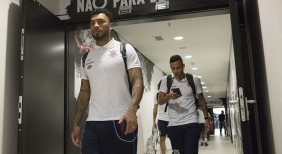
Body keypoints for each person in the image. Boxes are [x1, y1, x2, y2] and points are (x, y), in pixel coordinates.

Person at [71, 8, 144, 154]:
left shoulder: (125, 49)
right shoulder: (86, 57)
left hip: (122, 120)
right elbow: (84, 92)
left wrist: (132, 110)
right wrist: (76, 123)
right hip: (93, 124)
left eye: (101, 21)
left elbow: (137, 81)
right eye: (92, 23)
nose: (96, 25)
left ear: (111, 25)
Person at [158, 55, 210, 154]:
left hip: (191, 122)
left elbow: (201, 100)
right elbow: (160, 100)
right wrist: (169, 96)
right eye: (173, 68)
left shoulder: (194, 79)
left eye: (178, 67)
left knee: (190, 151)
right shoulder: (166, 80)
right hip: (173, 124)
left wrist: (206, 118)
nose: (176, 71)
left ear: (183, 66)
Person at [153, 81, 169, 154]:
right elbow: (155, 109)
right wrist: (154, 121)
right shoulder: (157, 96)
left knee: (174, 138)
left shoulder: (171, 95)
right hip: (161, 120)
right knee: (162, 139)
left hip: (172, 120)